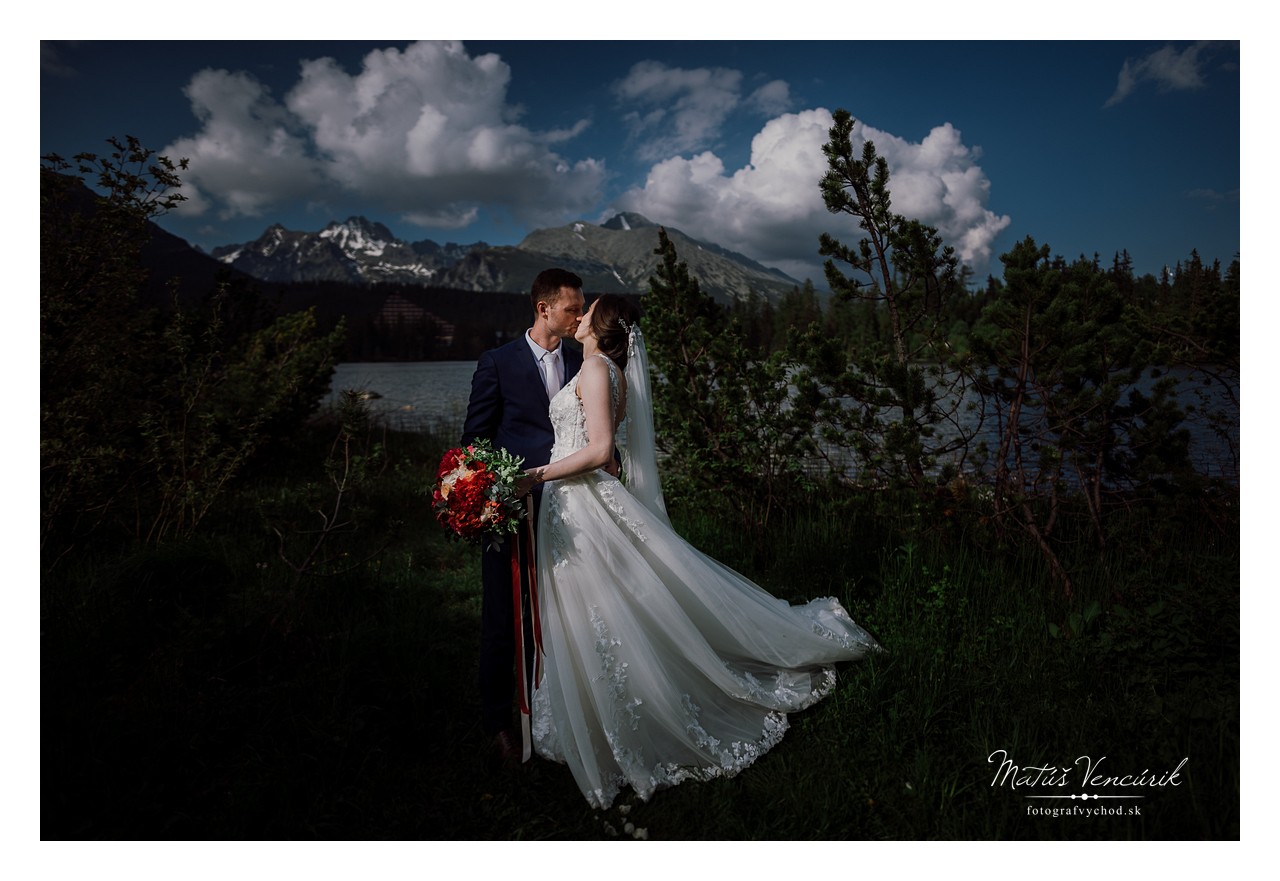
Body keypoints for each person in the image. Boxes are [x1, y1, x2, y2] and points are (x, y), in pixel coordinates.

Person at [515, 294, 882, 810]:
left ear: (599, 325)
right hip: (576, 502)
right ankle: (597, 704)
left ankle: (630, 711)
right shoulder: (605, 371)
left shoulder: (596, 369)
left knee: (600, 602)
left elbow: (599, 450)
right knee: (603, 602)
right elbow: (608, 455)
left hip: (577, 502)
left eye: (586, 310)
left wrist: (534, 475)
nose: (576, 316)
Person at [461, 268, 586, 764]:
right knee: (503, 616)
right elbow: (475, 441)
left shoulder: (584, 361)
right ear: (544, 309)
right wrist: (491, 496)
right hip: (513, 509)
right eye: (573, 308)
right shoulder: (497, 362)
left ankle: (553, 707)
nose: (580, 316)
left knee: (563, 609)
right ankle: (500, 720)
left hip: (573, 509)